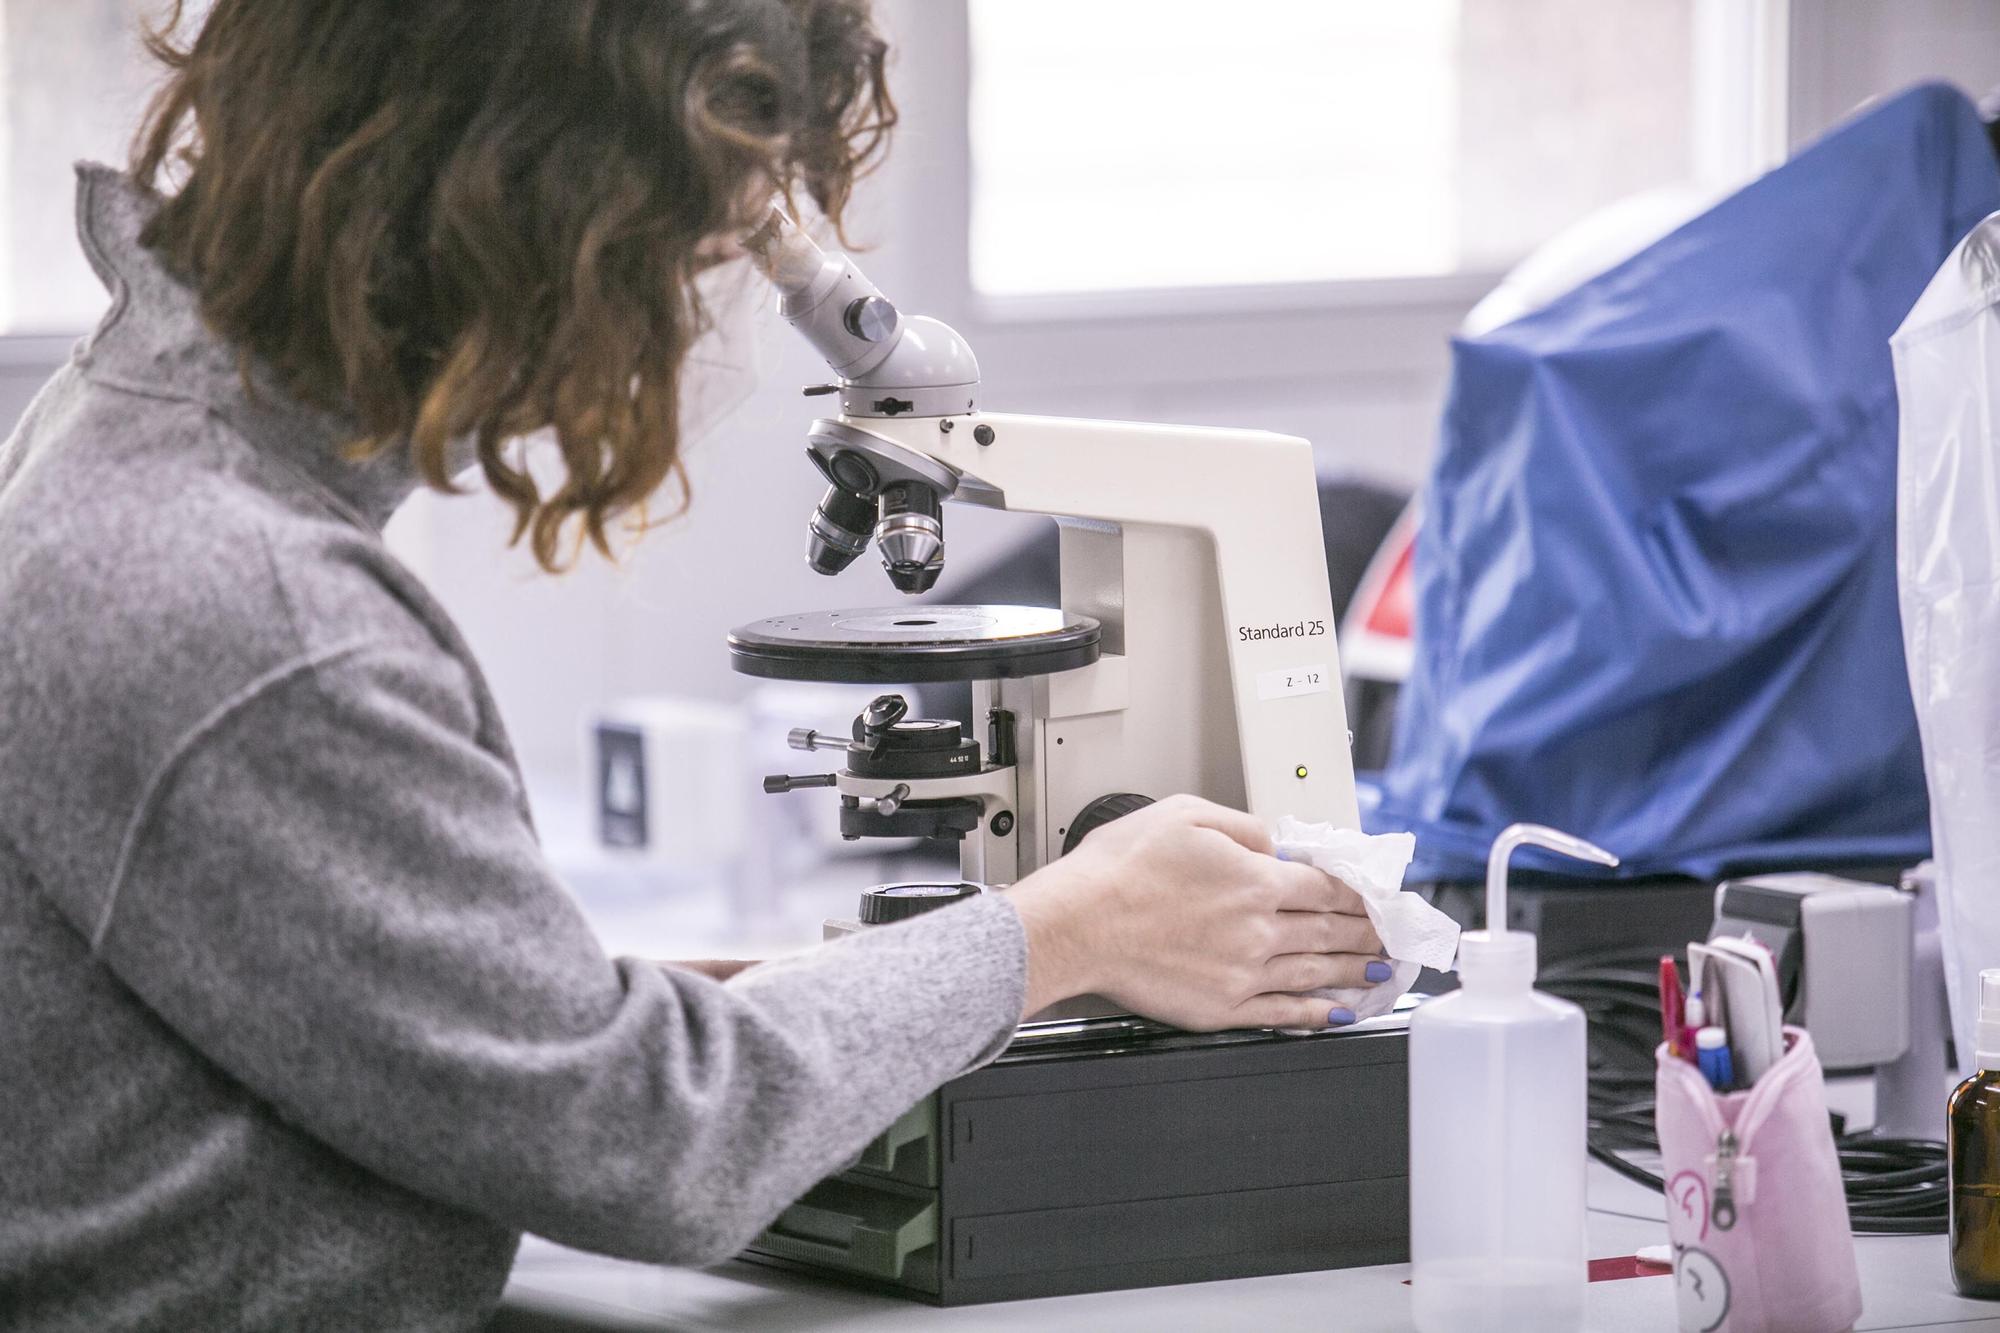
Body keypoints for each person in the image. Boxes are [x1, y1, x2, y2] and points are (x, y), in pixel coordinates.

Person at [0, 3, 1386, 1328]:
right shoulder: (246, 598)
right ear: (520, 210)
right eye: (666, 261)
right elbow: (645, 1141)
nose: (659, 327)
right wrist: (1073, 925)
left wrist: (623, 999)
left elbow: (335, 1006)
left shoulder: (123, 438)